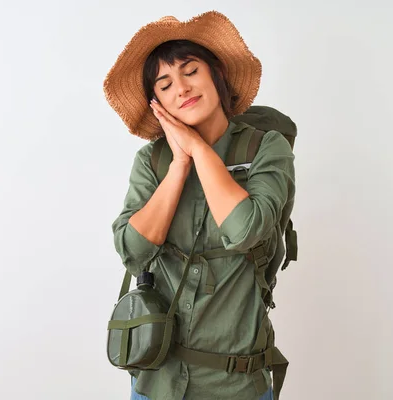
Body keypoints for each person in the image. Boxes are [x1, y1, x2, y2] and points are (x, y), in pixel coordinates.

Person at [104, 11, 295, 400]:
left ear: (217, 75)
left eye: (191, 71)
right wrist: (179, 164)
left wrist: (197, 147)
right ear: (157, 103)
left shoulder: (264, 147)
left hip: (237, 385)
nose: (182, 88)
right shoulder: (152, 162)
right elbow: (133, 251)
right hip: (156, 382)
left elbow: (247, 229)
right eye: (165, 83)